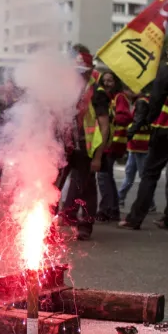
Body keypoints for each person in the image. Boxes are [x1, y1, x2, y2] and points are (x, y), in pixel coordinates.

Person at [120, 37, 168, 230]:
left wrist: (148, 121)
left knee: (150, 174)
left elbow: (156, 100)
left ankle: (134, 219)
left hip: (164, 129)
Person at [57, 46, 111, 241]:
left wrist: (98, 157)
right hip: (67, 147)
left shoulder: (98, 93)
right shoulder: (67, 91)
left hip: (87, 150)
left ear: (89, 72)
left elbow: (104, 127)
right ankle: (55, 222)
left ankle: (85, 225)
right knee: (53, 187)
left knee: (86, 188)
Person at [96, 71, 131, 222]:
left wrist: (109, 116)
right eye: (105, 81)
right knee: (106, 178)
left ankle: (107, 210)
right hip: (110, 143)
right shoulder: (108, 98)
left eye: (110, 80)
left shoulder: (119, 97)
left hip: (113, 144)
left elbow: (125, 117)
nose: (107, 83)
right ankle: (111, 209)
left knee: (104, 178)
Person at [118, 84, 152, 211]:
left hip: (139, 144)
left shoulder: (141, 102)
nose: (126, 92)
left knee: (142, 176)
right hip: (136, 145)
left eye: (128, 89)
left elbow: (138, 121)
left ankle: (148, 203)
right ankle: (120, 197)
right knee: (131, 174)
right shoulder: (140, 101)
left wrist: (129, 134)